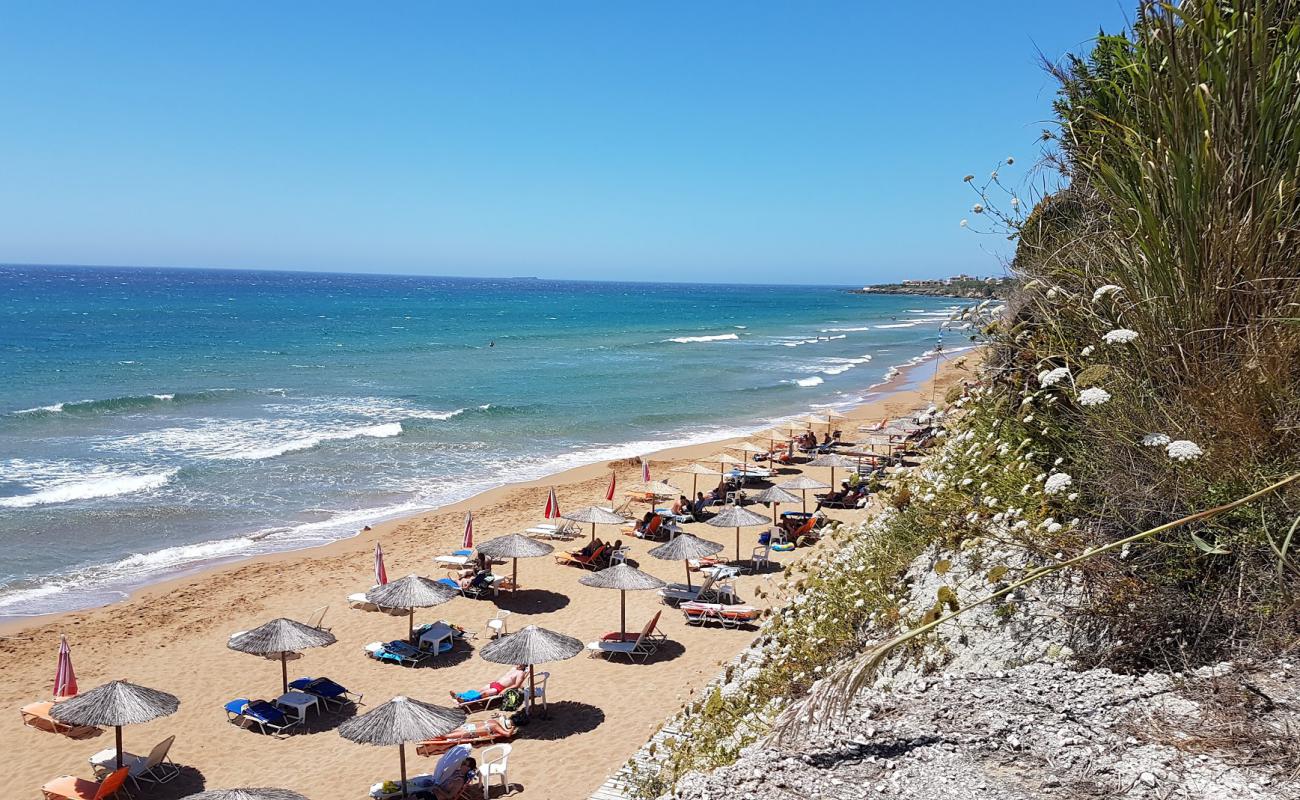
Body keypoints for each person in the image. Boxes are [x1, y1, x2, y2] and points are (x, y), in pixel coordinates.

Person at [450, 664, 528, 703]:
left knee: (483, 694)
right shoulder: (513, 668)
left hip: (500, 688)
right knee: (478, 691)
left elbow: (517, 685)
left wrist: (506, 690)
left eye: (521, 663)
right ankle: (459, 695)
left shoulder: (521, 673)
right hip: (495, 683)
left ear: (524, 665)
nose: (519, 664)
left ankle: (464, 700)